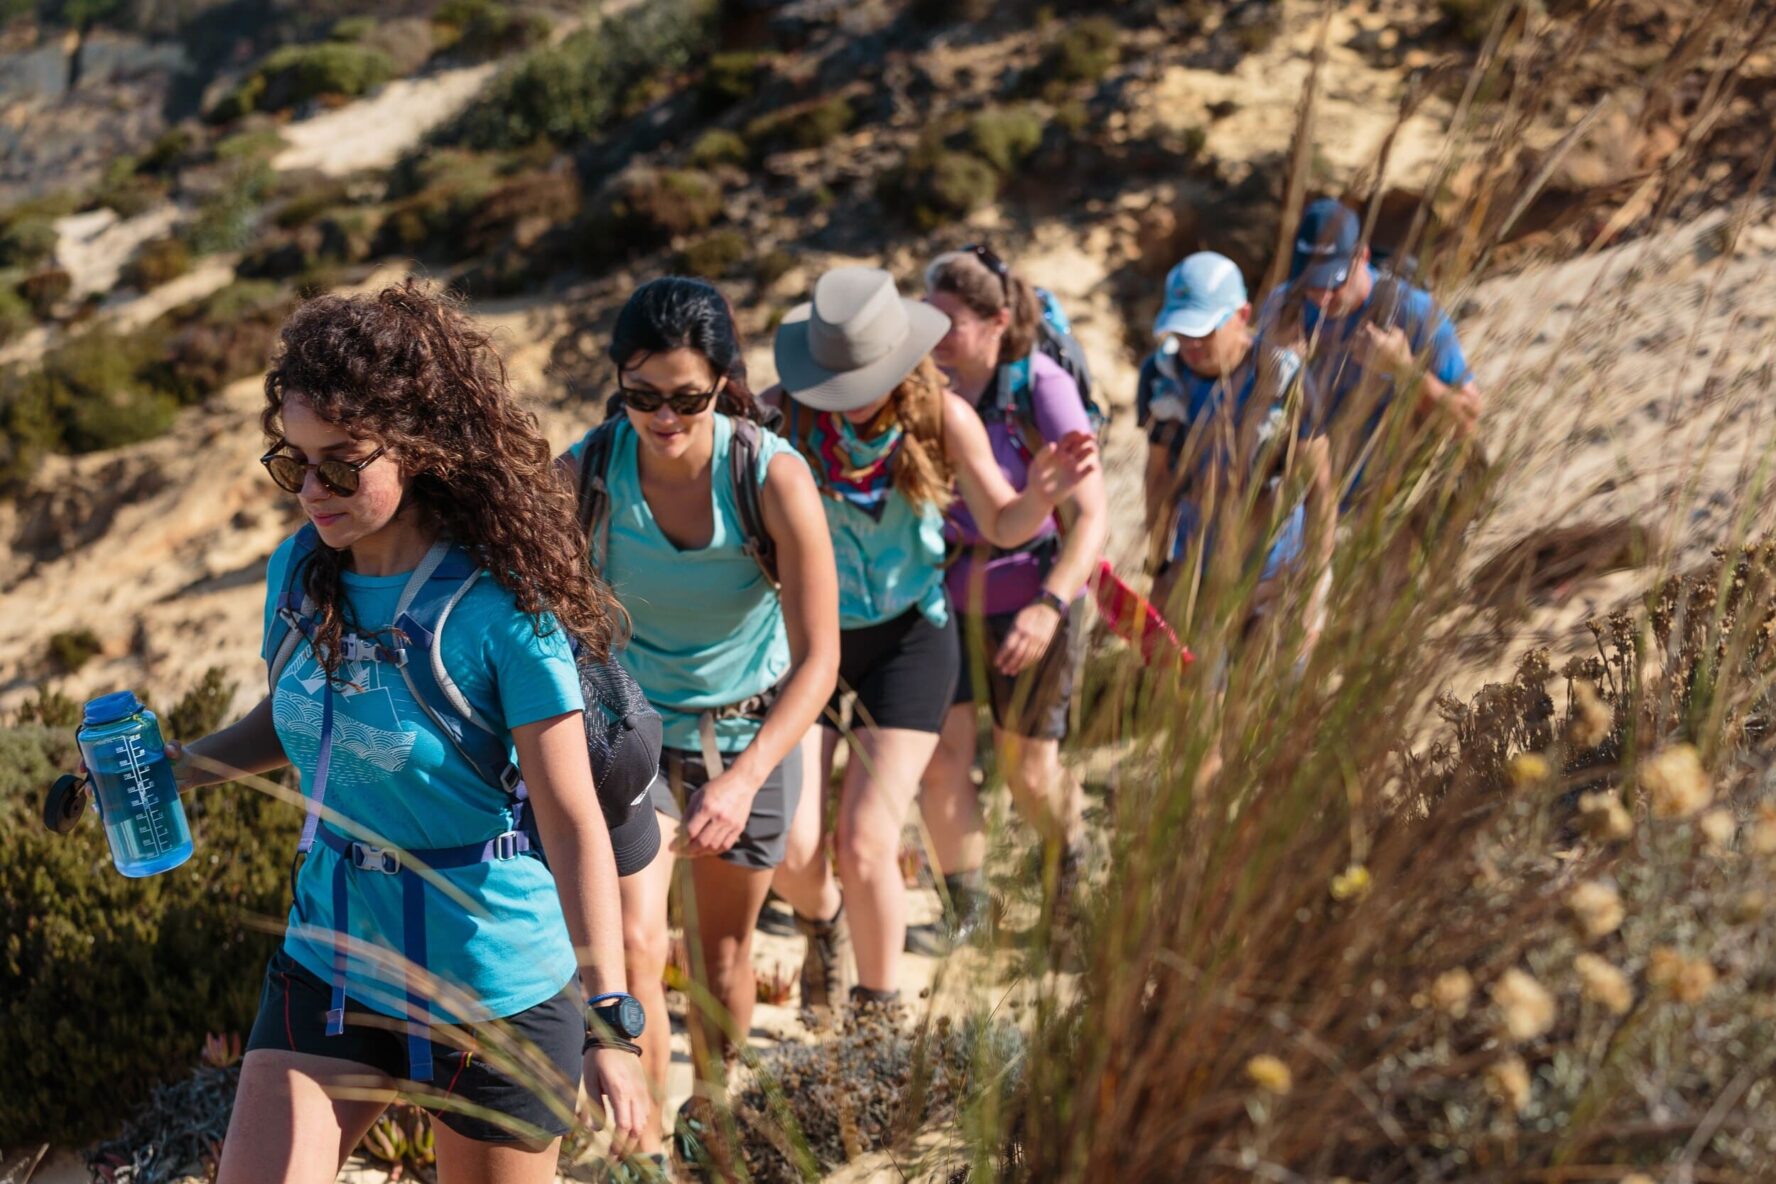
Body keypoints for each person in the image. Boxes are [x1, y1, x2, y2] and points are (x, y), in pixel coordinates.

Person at [124, 283, 648, 1184]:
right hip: (334, 958)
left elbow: (570, 821)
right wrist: (175, 773)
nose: (312, 493)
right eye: (295, 466)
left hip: (493, 985)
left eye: (341, 464)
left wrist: (609, 1012)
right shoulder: (298, 573)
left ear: (417, 447)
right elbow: (298, 726)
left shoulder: (500, 613)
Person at [558, 277, 841, 1177]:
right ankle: (644, 1152)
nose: (664, 417)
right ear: (618, 384)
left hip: (744, 731)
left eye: (687, 398)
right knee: (637, 944)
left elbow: (820, 660)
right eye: (642, 397)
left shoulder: (771, 476)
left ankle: (710, 1134)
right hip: (631, 735)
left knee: (722, 961)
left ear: (722, 383)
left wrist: (745, 777)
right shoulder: (588, 473)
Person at [765, 266, 1099, 1010]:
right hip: (806, 643)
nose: (846, 397)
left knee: (866, 840)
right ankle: (823, 925)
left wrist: (1040, 499)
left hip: (910, 641)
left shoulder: (943, 418)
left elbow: (1004, 521)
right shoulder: (779, 418)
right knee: (792, 850)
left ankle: (875, 1016)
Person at [911, 246, 1110, 951]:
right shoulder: (928, 387)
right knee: (941, 760)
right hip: (943, 598)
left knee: (1029, 768)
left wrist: (1049, 606)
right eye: (925, 320)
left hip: (1033, 592)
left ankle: (1073, 878)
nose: (933, 338)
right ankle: (964, 912)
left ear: (997, 321)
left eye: (949, 323)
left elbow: (1090, 518)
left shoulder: (1043, 389)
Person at [1138, 252, 1335, 646]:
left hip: (1275, 584)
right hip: (1196, 578)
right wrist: (1158, 571)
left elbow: (1320, 491)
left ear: (1242, 315)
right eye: (1181, 331)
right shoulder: (1162, 378)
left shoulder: (1285, 382)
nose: (1191, 344)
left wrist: (1313, 594)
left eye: (1204, 330)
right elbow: (1158, 480)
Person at [1274, 197, 1482, 488]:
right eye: (1312, 284)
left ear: (1362, 256)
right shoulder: (1284, 307)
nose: (1322, 298)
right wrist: (1278, 368)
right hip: (1312, 494)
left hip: (1388, 496)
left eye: (1334, 283)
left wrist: (1403, 370)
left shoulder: (1416, 312)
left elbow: (1467, 421)